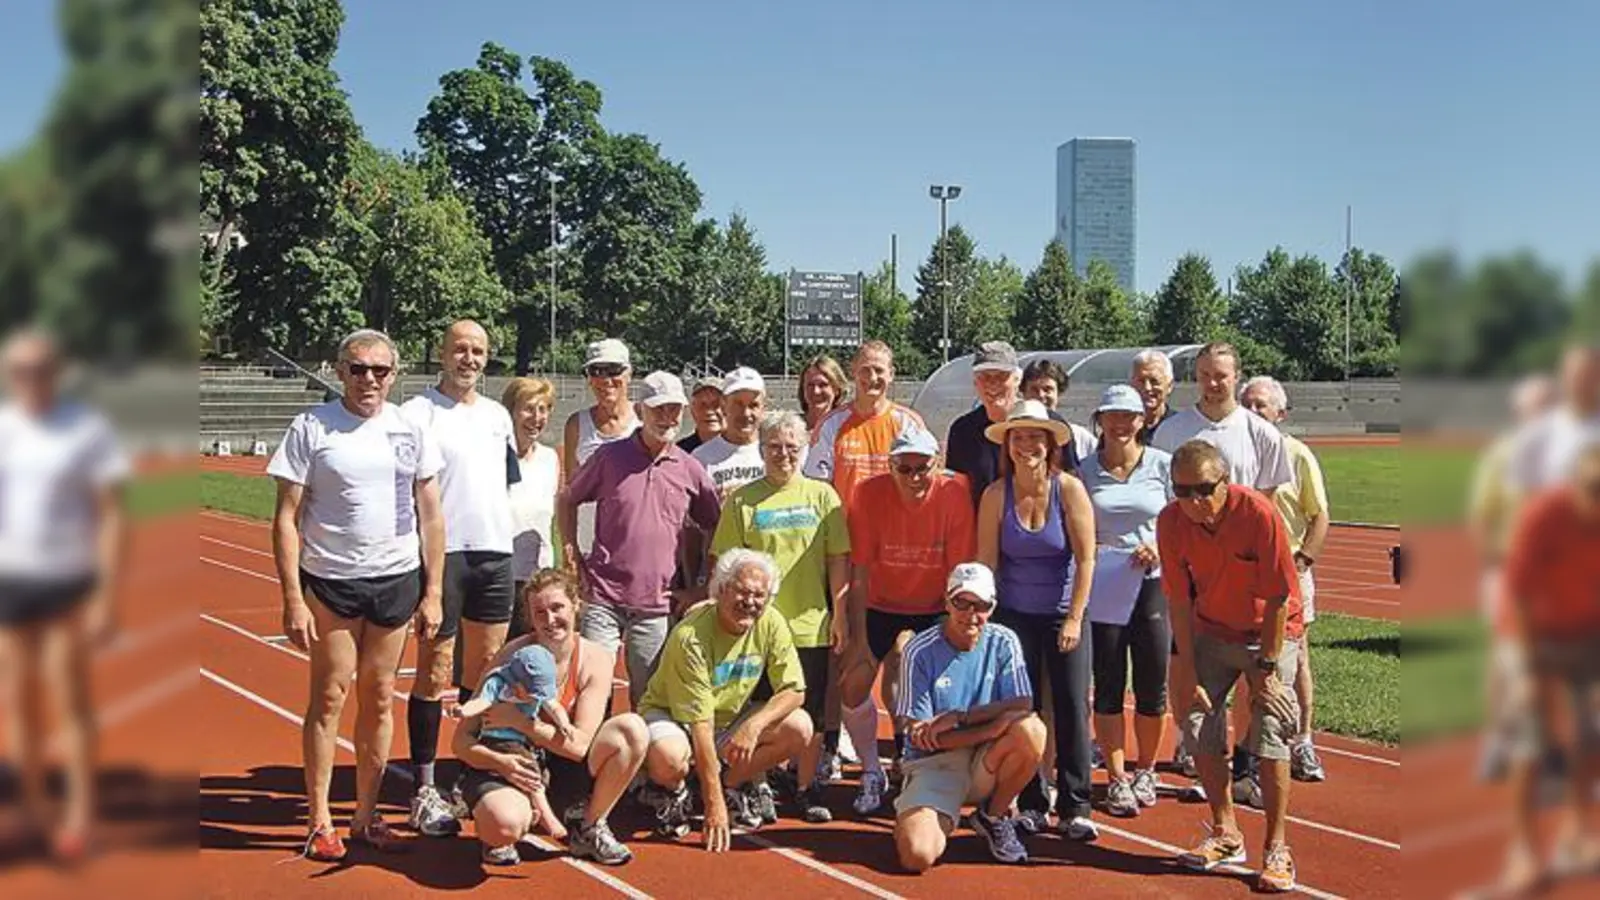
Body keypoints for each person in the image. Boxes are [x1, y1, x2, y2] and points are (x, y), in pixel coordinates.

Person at [267, 328, 446, 861]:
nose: (369, 379)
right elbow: (285, 518)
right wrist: (293, 598)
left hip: (396, 579)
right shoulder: (312, 427)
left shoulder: (410, 429)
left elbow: (432, 515)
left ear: (395, 374)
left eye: (380, 370)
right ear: (339, 370)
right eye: (358, 368)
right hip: (331, 582)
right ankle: (320, 820)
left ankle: (365, 816)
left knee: (381, 696)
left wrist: (433, 590)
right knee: (328, 697)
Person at [0, 328, 129, 862]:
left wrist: (104, 593)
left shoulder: (84, 430)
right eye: (19, 370)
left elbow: (110, 513)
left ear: (55, 373)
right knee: (18, 701)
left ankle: (78, 813)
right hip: (11, 578)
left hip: (64, 579)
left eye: (38, 369)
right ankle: (31, 806)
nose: (29, 379)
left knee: (67, 697)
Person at [1157, 439, 1304, 893]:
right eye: (1182, 491)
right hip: (1211, 632)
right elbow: (1179, 600)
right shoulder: (1171, 522)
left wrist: (1266, 667)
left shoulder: (1257, 513)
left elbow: (1280, 594)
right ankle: (1226, 832)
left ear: (1225, 481)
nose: (1194, 502)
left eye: (1203, 489)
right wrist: (1183, 664)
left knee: (1270, 729)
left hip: (1269, 633)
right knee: (1197, 723)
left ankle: (1277, 846)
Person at [398, 320, 520, 837]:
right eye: (460, 349)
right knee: (433, 673)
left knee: (485, 676)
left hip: (495, 553)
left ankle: (469, 775)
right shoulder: (415, 413)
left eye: (478, 351)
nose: (469, 359)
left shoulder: (497, 417)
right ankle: (423, 786)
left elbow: (508, 479)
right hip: (443, 558)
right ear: (442, 353)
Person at [1150, 341, 1291, 785]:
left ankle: (1248, 759)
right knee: (1192, 671)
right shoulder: (1172, 432)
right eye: (1206, 374)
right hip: (1196, 577)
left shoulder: (1262, 434)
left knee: (1258, 680)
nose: (1213, 383)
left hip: (1250, 571)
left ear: (1237, 377)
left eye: (1222, 375)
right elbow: (1167, 504)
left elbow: (1267, 507)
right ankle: (1196, 754)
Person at [452, 568, 647, 866]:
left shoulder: (595, 659)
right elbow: (461, 742)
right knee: (503, 823)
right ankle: (498, 829)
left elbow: (580, 746)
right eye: (539, 612)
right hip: (510, 764)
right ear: (530, 617)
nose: (549, 620)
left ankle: (591, 826)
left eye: (557, 608)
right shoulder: (511, 658)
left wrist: (521, 722)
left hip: (564, 766)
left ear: (576, 605)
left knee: (632, 730)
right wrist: (500, 762)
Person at [711, 410, 851, 822]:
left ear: (805, 449)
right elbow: (725, 563)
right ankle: (754, 781)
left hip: (810, 624)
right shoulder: (742, 499)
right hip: (755, 628)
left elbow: (839, 560)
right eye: (774, 447)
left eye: (792, 447)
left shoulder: (823, 497)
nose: (783, 455)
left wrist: (840, 614)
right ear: (761, 449)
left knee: (812, 714)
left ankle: (806, 788)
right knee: (756, 710)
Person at [559, 371, 721, 709]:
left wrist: (701, 584)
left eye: (673, 409)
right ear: (640, 409)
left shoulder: (690, 468)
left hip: (656, 603)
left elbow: (715, 527)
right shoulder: (609, 457)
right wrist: (570, 549)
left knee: (648, 698)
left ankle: (643, 761)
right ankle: (586, 760)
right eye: (657, 409)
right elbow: (568, 498)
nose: (666, 417)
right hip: (603, 597)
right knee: (592, 689)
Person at [974, 399, 1098, 839]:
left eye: (1035, 437)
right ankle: (1031, 802)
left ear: (1051, 444)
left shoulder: (1069, 490)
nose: (1027, 445)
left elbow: (1086, 559)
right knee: (1022, 711)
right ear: (1007, 445)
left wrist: (1074, 619)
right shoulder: (995, 495)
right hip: (1013, 616)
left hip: (1063, 612)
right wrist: (984, 620)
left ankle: (1076, 804)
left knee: (1069, 707)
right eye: (1019, 437)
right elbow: (986, 562)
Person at [635, 549, 813, 849]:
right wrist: (712, 805)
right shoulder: (690, 636)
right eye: (742, 591)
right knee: (670, 757)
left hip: (728, 719)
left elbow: (795, 690)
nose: (751, 602)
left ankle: (731, 784)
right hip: (674, 717)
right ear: (721, 589)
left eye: (760, 595)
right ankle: (674, 789)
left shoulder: (771, 622)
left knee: (800, 727)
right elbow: (700, 724)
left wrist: (754, 726)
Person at [841, 426, 977, 816]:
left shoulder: (954, 494)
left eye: (923, 468)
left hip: (934, 603)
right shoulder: (869, 494)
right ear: (891, 465)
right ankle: (872, 769)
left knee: (908, 663)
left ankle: (909, 757)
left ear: (938, 464)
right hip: (880, 602)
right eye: (905, 468)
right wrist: (861, 641)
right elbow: (861, 572)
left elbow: (959, 570)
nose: (915, 477)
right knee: (853, 681)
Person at [1486, 444, 1600, 897]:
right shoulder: (1545, 516)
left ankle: (1577, 834)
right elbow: (1518, 594)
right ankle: (1524, 849)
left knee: (1589, 737)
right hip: (1531, 632)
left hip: (1586, 632)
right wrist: (1531, 668)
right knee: (1529, 744)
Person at [893, 562, 1047, 870]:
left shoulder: (1004, 641)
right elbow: (924, 737)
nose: (971, 614)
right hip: (936, 765)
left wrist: (961, 717)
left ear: (993, 607)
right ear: (947, 602)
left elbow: (1023, 702)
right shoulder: (919, 651)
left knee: (1032, 730)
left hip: (986, 760)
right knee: (916, 857)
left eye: (981, 605)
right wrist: (993, 728)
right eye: (961, 603)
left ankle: (992, 815)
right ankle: (915, 812)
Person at [1077, 385, 1174, 818]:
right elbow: (1076, 525)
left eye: (1129, 416)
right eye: (1111, 416)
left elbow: (1180, 522)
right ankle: (1116, 776)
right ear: (1100, 420)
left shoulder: (1163, 466)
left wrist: (1159, 545)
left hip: (1152, 582)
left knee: (1153, 683)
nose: (1120, 424)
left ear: (1142, 421)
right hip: (1105, 582)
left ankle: (1146, 769)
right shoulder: (1083, 470)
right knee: (1109, 682)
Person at [1242, 376, 1332, 783]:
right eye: (1248, 403)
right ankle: (1245, 750)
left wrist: (1303, 561)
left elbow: (1319, 515)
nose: (1254, 410)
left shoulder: (1297, 454)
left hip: (1289, 575)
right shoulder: (1234, 453)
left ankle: (1302, 742)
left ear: (1281, 413)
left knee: (1295, 662)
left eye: (1262, 405)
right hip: (1241, 575)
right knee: (1242, 660)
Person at [1467, 375, 1557, 781]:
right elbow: (1483, 517)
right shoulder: (1502, 457)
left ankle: (1544, 742)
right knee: (1507, 660)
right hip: (1509, 571)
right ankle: (1499, 740)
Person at [448, 643, 571, 859]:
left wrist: (564, 723)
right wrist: (462, 710)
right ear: (516, 683)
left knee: (529, 771)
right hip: (493, 742)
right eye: (531, 693)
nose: (535, 698)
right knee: (530, 774)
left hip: (522, 745)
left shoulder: (537, 691)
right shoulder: (497, 683)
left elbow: (554, 706)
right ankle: (546, 815)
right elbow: (481, 702)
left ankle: (536, 809)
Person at [946, 342, 1079, 510]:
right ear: (975, 383)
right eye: (985, 376)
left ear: (1017, 380)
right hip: (982, 531)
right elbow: (958, 492)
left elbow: (1071, 486)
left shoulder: (1050, 424)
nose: (992, 383)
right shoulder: (962, 431)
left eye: (1002, 376)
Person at [804, 340, 925, 512]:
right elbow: (816, 489)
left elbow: (923, 484)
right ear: (853, 372)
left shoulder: (909, 424)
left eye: (879, 370)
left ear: (891, 374)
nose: (872, 377)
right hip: (846, 534)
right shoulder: (831, 424)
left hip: (895, 533)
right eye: (865, 370)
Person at [562, 338, 640, 557]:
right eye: (596, 371)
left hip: (636, 548)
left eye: (614, 370)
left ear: (629, 374)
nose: (605, 380)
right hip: (590, 547)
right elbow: (570, 494)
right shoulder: (576, 424)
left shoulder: (644, 419)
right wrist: (570, 547)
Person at [501, 376, 562, 639]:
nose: (536, 417)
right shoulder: (492, 457)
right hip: (499, 577)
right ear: (510, 412)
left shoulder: (549, 459)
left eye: (543, 409)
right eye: (528, 408)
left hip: (537, 580)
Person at [1020, 357, 1096, 462]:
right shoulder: (1015, 437)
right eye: (1034, 389)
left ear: (1059, 393)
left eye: (1047, 389)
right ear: (1023, 393)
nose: (1041, 395)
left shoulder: (1080, 438)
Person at [1131, 349, 1177, 444]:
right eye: (1141, 381)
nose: (1147, 388)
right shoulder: (1123, 427)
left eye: (1154, 381)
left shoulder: (1180, 426)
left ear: (1169, 386)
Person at [799, 354, 850, 437]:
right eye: (810, 385)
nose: (816, 391)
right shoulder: (788, 429)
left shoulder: (849, 429)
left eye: (823, 385)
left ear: (837, 388)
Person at [678, 374, 726, 454]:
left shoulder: (745, 449)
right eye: (702, 405)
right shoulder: (680, 453)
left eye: (717, 404)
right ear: (692, 410)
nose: (709, 411)